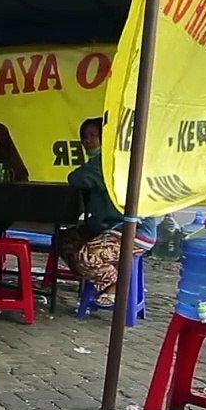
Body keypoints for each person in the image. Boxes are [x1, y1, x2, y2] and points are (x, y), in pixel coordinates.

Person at [56, 117, 156, 306]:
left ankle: (116, 285)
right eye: (84, 136)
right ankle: (104, 275)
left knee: (87, 256)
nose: (87, 140)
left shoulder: (107, 161)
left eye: (93, 135)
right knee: (64, 240)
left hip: (135, 231)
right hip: (106, 228)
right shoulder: (99, 160)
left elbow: (75, 178)